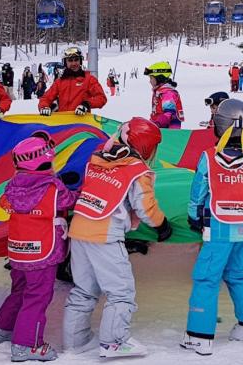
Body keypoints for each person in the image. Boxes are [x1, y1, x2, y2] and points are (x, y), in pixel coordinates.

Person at [62, 118, 171, 358]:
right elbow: (145, 206)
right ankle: (114, 342)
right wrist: (162, 225)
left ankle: (75, 341)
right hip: (105, 235)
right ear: (145, 145)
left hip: (79, 230)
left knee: (83, 289)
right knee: (120, 291)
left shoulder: (98, 159)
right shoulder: (136, 170)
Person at [181, 100, 243, 355]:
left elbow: (199, 190)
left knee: (206, 277)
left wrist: (193, 215)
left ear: (219, 127)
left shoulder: (209, 158)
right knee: (239, 272)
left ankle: (199, 335)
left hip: (219, 227)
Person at [0, 132, 78, 361]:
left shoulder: (12, 185)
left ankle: (2, 330)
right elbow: (70, 201)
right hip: (43, 253)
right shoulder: (53, 188)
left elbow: (6, 202)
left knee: (19, 290)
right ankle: (26, 345)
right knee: (37, 297)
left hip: (19, 251)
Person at [38, 47, 107, 116]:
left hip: (81, 123)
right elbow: (46, 98)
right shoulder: (59, 82)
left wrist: (86, 104)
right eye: (70, 60)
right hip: (64, 123)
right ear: (65, 62)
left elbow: (101, 98)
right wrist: (44, 107)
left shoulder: (89, 79)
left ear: (80, 61)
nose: (74, 63)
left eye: (76, 60)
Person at [146, 61, 184, 128]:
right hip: (160, 129)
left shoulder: (167, 93)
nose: (150, 81)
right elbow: (156, 114)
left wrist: (157, 124)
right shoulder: (159, 92)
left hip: (169, 131)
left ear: (159, 77)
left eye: (151, 78)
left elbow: (169, 113)